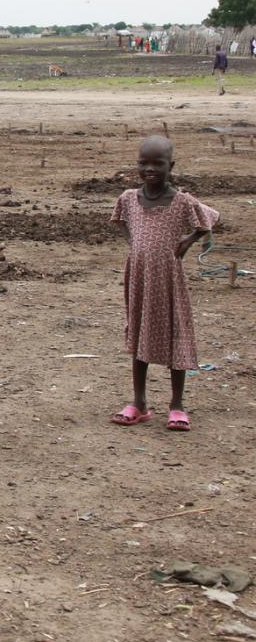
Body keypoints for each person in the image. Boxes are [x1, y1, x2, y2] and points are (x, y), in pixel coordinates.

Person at [110, 136, 218, 431]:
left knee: (175, 333)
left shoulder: (181, 201)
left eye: (157, 163)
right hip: (139, 278)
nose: (150, 169)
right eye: (143, 163)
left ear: (171, 166)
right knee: (139, 333)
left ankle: (177, 405)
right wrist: (135, 246)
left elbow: (208, 218)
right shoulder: (130, 198)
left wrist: (189, 240)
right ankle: (139, 403)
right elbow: (120, 220)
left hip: (169, 279)